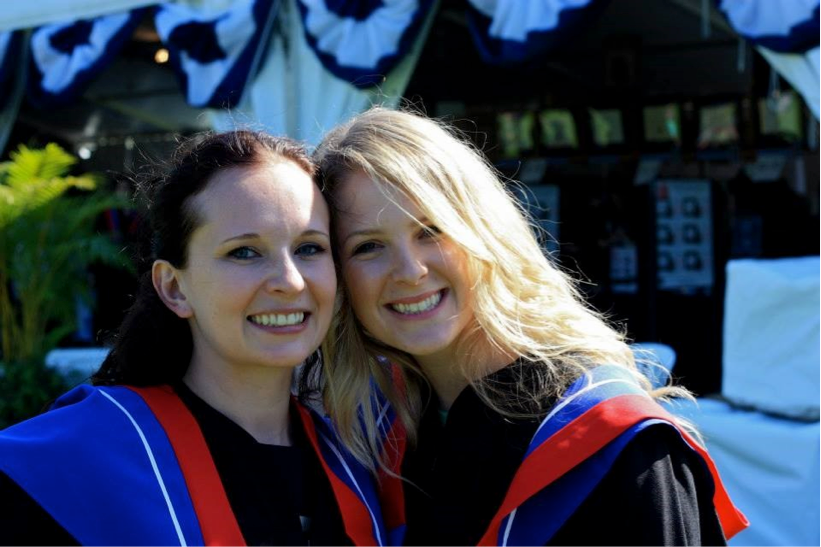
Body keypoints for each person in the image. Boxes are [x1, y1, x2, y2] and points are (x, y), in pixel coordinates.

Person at [312, 108, 749, 547]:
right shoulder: (377, 437)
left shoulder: (616, 444)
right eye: (368, 246)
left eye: (431, 229)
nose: (409, 270)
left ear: (484, 231)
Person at [0, 130, 399, 547]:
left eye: (309, 248)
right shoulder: (75, 460)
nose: (290, 280)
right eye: (244, 252)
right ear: (173, 287)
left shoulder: (358, 465)